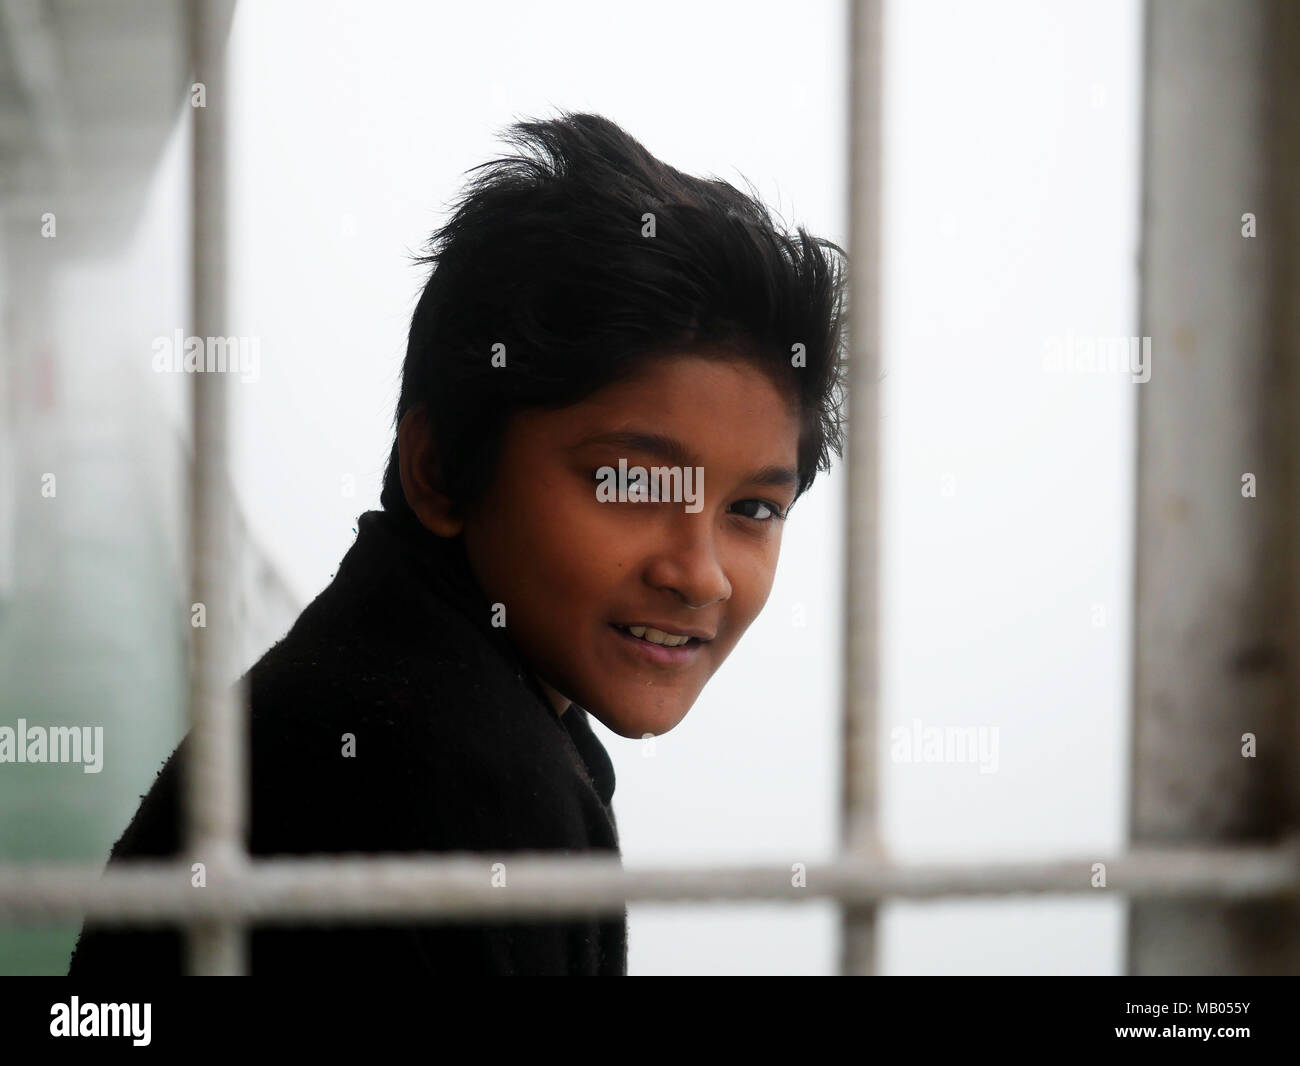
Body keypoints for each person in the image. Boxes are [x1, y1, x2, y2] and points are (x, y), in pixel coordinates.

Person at [67, 111, 848, 976]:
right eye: (630, 482)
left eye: (752, 510)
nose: (697, 574)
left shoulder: (393, 682)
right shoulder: (454, 786)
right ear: (439, 469)